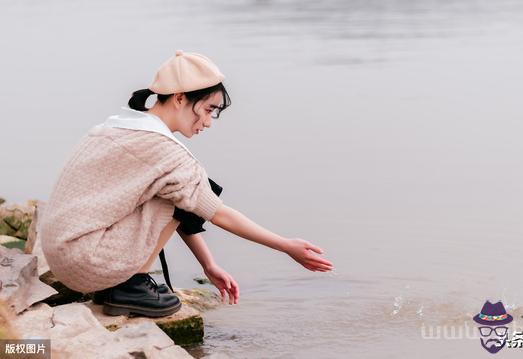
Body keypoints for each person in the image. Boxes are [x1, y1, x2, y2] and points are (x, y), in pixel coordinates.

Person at [39, 50, 333, 318]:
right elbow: (215, 212)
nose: (209, 122)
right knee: (198, 186)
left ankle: (122, 284)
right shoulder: (163, 150)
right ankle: (132, 286)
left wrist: (208, 265)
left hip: (66, 256)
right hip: (88, 261)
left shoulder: (118, 125)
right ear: (180, 98)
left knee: (190, 187)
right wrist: (285, 246)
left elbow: (189, 202)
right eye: (208, 109)